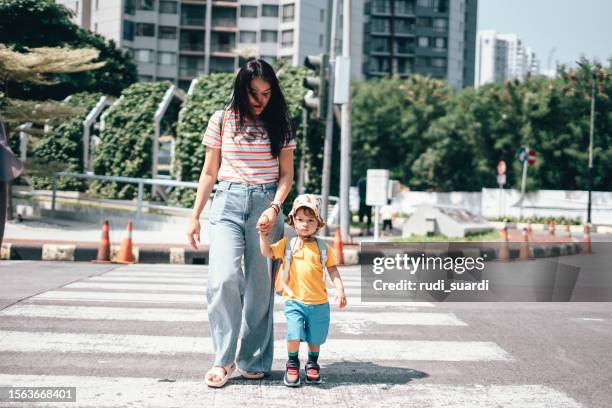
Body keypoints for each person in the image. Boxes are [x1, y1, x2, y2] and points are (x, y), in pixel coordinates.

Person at [187, 59, 295, 388]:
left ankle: (253, 358)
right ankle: (223, 359)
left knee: (260, 288)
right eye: (253, 93)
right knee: (223, 279)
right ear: (240, 89)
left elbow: (286, 175)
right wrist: (194, 216)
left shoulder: (282, 123)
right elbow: (209, 172)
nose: (260, 101)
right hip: (227, 203)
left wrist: (274, 208)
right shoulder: (221, 120)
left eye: (266, 93)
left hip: (266, 205)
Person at [259, 194, 347, 387]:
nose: (305, 224)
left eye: (310, 220)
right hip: (294, 301)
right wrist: (263, 237)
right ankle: (292, 364)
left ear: (318, 223)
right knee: (293, 333)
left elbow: (332, 270)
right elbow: (267, 253)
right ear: (293, 221)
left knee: (316, 338)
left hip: (319, 303)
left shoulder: (323, 247)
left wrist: (340, 290)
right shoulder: (287, 244)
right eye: (300, 220)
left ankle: (313, 363)